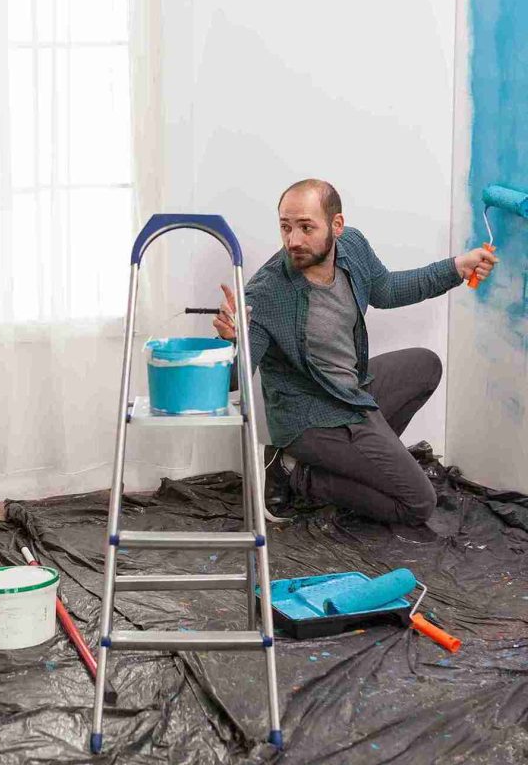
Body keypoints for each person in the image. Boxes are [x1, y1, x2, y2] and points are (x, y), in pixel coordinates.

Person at [213, 179, 498, 526]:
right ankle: (293, 472)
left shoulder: (353, 248)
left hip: (350, 393)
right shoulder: (267, 292)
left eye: (306, 227)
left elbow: (387, 289)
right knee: (419, 504)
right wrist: (232, 342)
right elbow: (232, 381)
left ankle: (361, 464)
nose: (293, 240)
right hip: (310, 416)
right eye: (285, 227)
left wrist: (457, 267)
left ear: (337, 226)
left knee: (426, 365)